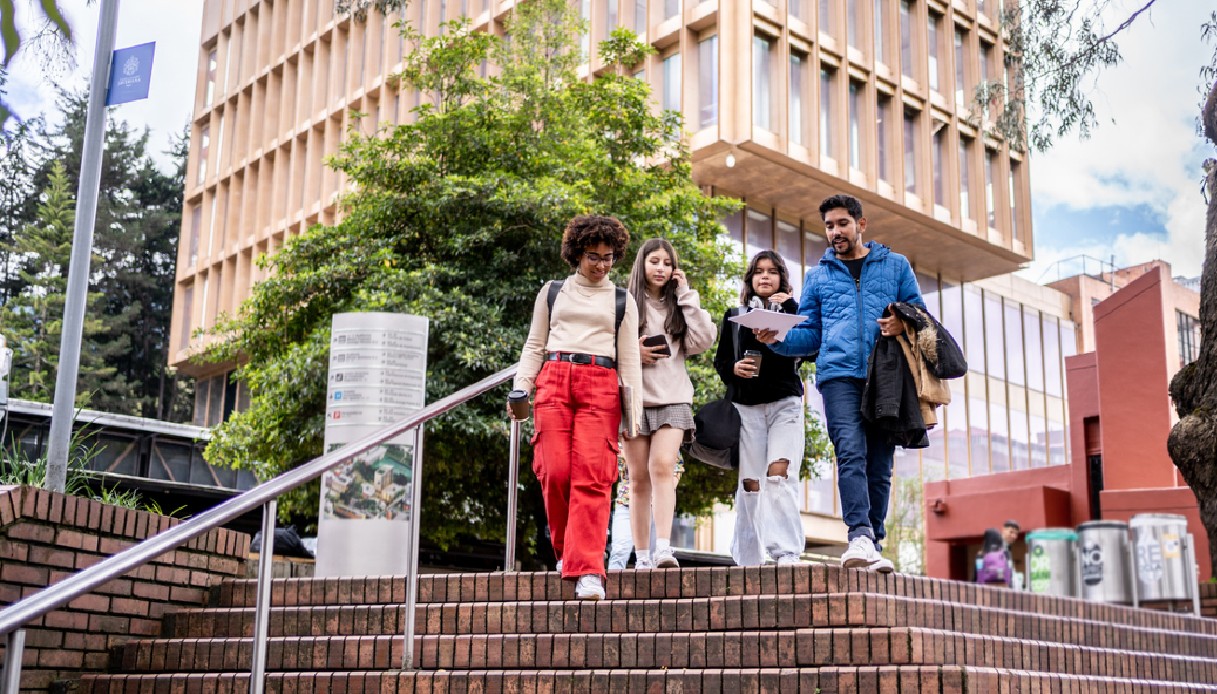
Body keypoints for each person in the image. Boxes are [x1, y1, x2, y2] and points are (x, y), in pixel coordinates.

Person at [756, 193, 924, 573]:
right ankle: (859, 534)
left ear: (861, 224)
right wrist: (778, 340)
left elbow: (920, 314)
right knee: (850, 451)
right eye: (829, 226)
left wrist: (902, 322)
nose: (835, 232)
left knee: (880, 464)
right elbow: (811, 336)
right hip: (837, 376)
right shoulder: (818, 276)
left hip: (886, 376)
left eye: (842, 224)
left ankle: (874, 542)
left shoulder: (896, 266)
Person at [513, 214, 642, 601]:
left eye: (609, 257)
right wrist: (521, 387)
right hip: (553, 377)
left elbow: (630, 361)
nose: (602, 264)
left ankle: (588, 570)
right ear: (575, 254)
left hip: (601, 384)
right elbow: (534, 344)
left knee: (592, 476)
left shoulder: (622, 300)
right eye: (594, 256)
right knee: (553, 471)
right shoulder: (552, 292)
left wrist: (631, 420)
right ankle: (567, 552)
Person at [622, 238, 716, 569]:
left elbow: (703, 340)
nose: (660, 268)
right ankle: (643, 555)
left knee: (663, 465)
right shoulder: (624, 302)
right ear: (642, 265)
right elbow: (606, 348)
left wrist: (687, 293)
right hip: (633, 400)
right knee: (637, 478)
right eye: (654, 261)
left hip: (674, 397)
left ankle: (664, 547)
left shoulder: (679, 304)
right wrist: (635, 352)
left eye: (666, 262)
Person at [714, 250, 806, 567]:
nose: (764, 276)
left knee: (778, 474)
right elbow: (721, 361)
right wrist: (733, 368)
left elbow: (808, 350)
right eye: (758, 271)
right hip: (746, 408)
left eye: (772, 271)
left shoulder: (794, 311)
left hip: (785, 404)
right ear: (750, 280)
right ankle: (749, 557)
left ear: (782, 278)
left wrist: (790, 305)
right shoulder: (734, 314)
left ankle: (786, 552)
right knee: (751, 484)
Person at [607, 456, 685, 570]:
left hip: (655, 506)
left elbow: (676, 469)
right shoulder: (623, 441)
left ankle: (654, 584)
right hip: (626, 502)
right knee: (619, 550)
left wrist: (661, 493)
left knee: (656, 555)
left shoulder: (663, 440)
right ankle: (612, 586)